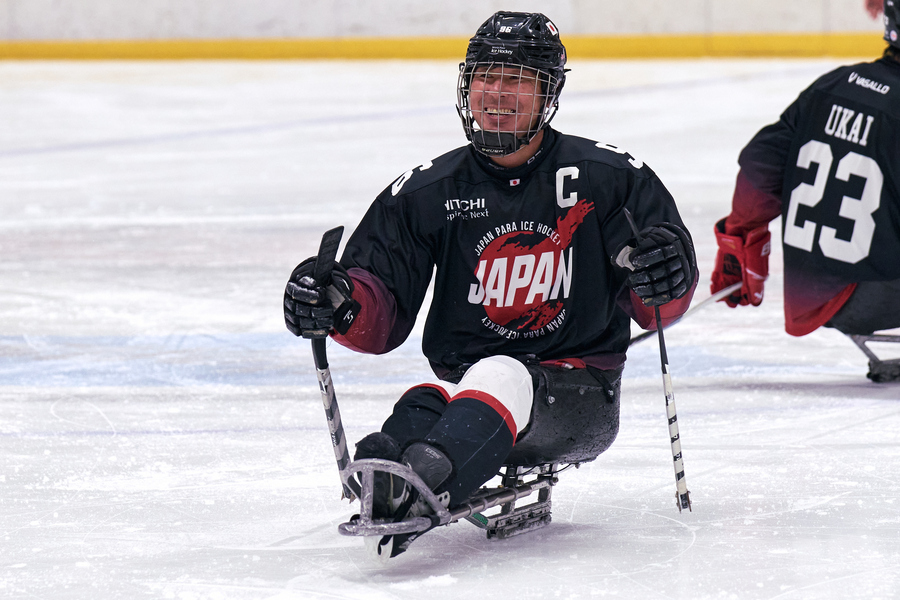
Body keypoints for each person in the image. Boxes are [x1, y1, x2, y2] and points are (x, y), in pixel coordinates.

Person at [284, 11, 697, 559]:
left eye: (516, 79)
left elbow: (659, 306)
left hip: (578, 399)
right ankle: (398, 464)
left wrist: (665, 272)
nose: (495, 93)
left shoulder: (611, 178)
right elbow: (378, 300)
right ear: (465, 84)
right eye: (484, 76)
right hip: (472, 396)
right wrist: (337, 304)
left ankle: (425, 481)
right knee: (427, 401)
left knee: (500, 375)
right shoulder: (426, 191)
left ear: (547, 92)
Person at [711, 0, 900, 379]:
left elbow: (759, 163)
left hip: (815, 295)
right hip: (880, 295)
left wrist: (741, 242)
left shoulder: (830, 85)